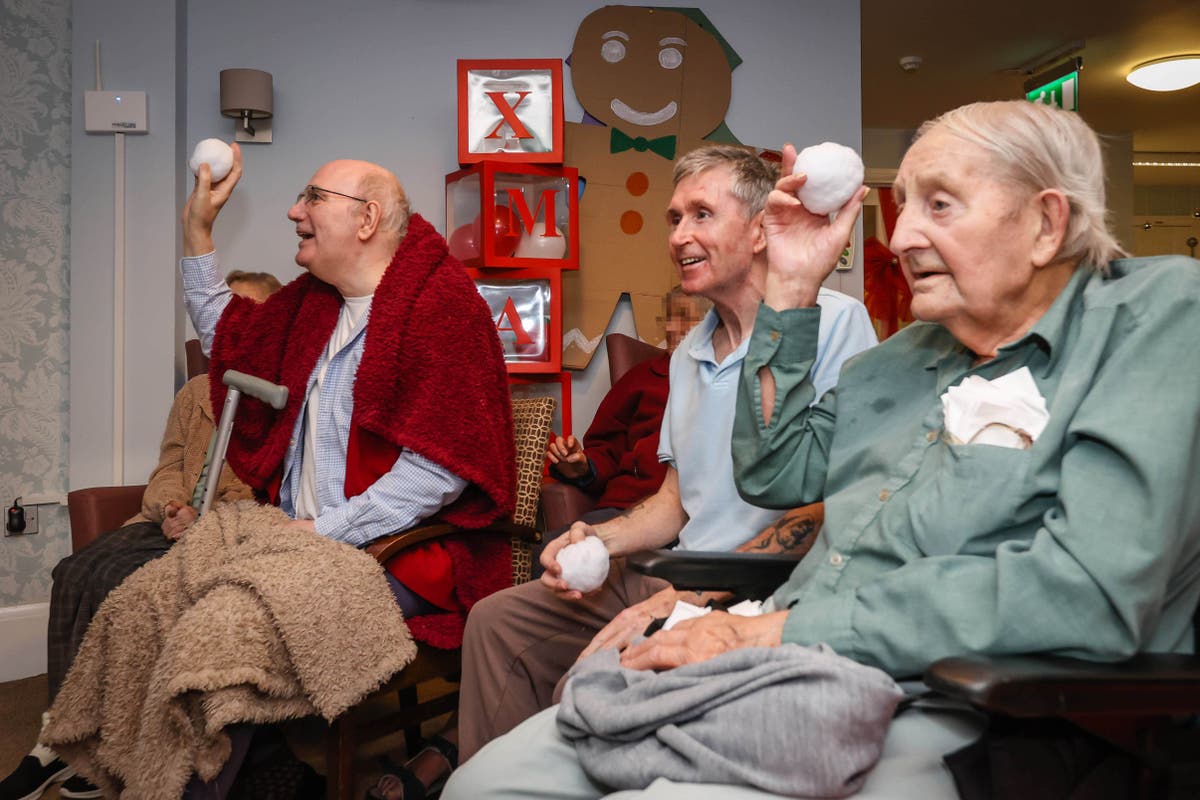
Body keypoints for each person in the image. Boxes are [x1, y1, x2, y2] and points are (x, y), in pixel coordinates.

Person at [443, 100, 1200, 800]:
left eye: (939, 205)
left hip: (966, 696)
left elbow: (1087, 591)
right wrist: (792, 290)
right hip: (795, 653)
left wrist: (768, 623)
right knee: (490, 781)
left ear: (1045, 222)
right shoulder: (903, 359)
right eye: (904, 208)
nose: (898, 237)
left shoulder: (1155, 316)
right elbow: (776, 471)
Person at [452, 143, 876, 774]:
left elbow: (846, 494)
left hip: (762, 583)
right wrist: (593, 537)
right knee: (498, 619)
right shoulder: (688, 354)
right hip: (677, 566)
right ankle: (500, 780)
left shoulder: (837, 324)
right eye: (674, 219)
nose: (679, 236)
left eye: (701, 214)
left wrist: (692, 597)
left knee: (597, 676)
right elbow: (676, 501)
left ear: (762, 229)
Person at [180, 146, 515, 626]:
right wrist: (197, 231)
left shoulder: (442, 309)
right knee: (164, 595)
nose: (293, 211)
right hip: (298, 540)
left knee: (229, 620)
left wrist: (321, 533)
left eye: (312, 198)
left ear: (367, 219)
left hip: (395, 555)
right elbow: (228, 337)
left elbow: (438, 472)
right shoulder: (312, 306)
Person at [0, 276, 276, 800]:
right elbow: (169, 464)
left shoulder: (279, 401)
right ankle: (62, 736)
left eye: (249, 315)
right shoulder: (196, 393)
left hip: (226, 533)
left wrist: (204, 516)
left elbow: (271, 489)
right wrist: (171, 506)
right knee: (76, 570)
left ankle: (112, 745)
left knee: (123, 585)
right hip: (167, 521)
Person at [544, 287, 709, 537]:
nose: (673, 328)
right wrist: (583, 467)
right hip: (626, 507)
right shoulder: (642, 377)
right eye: (669, 317)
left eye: (685, 317)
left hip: (695, 517)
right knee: (552, 552)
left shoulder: (731, 381)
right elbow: (607, 447)